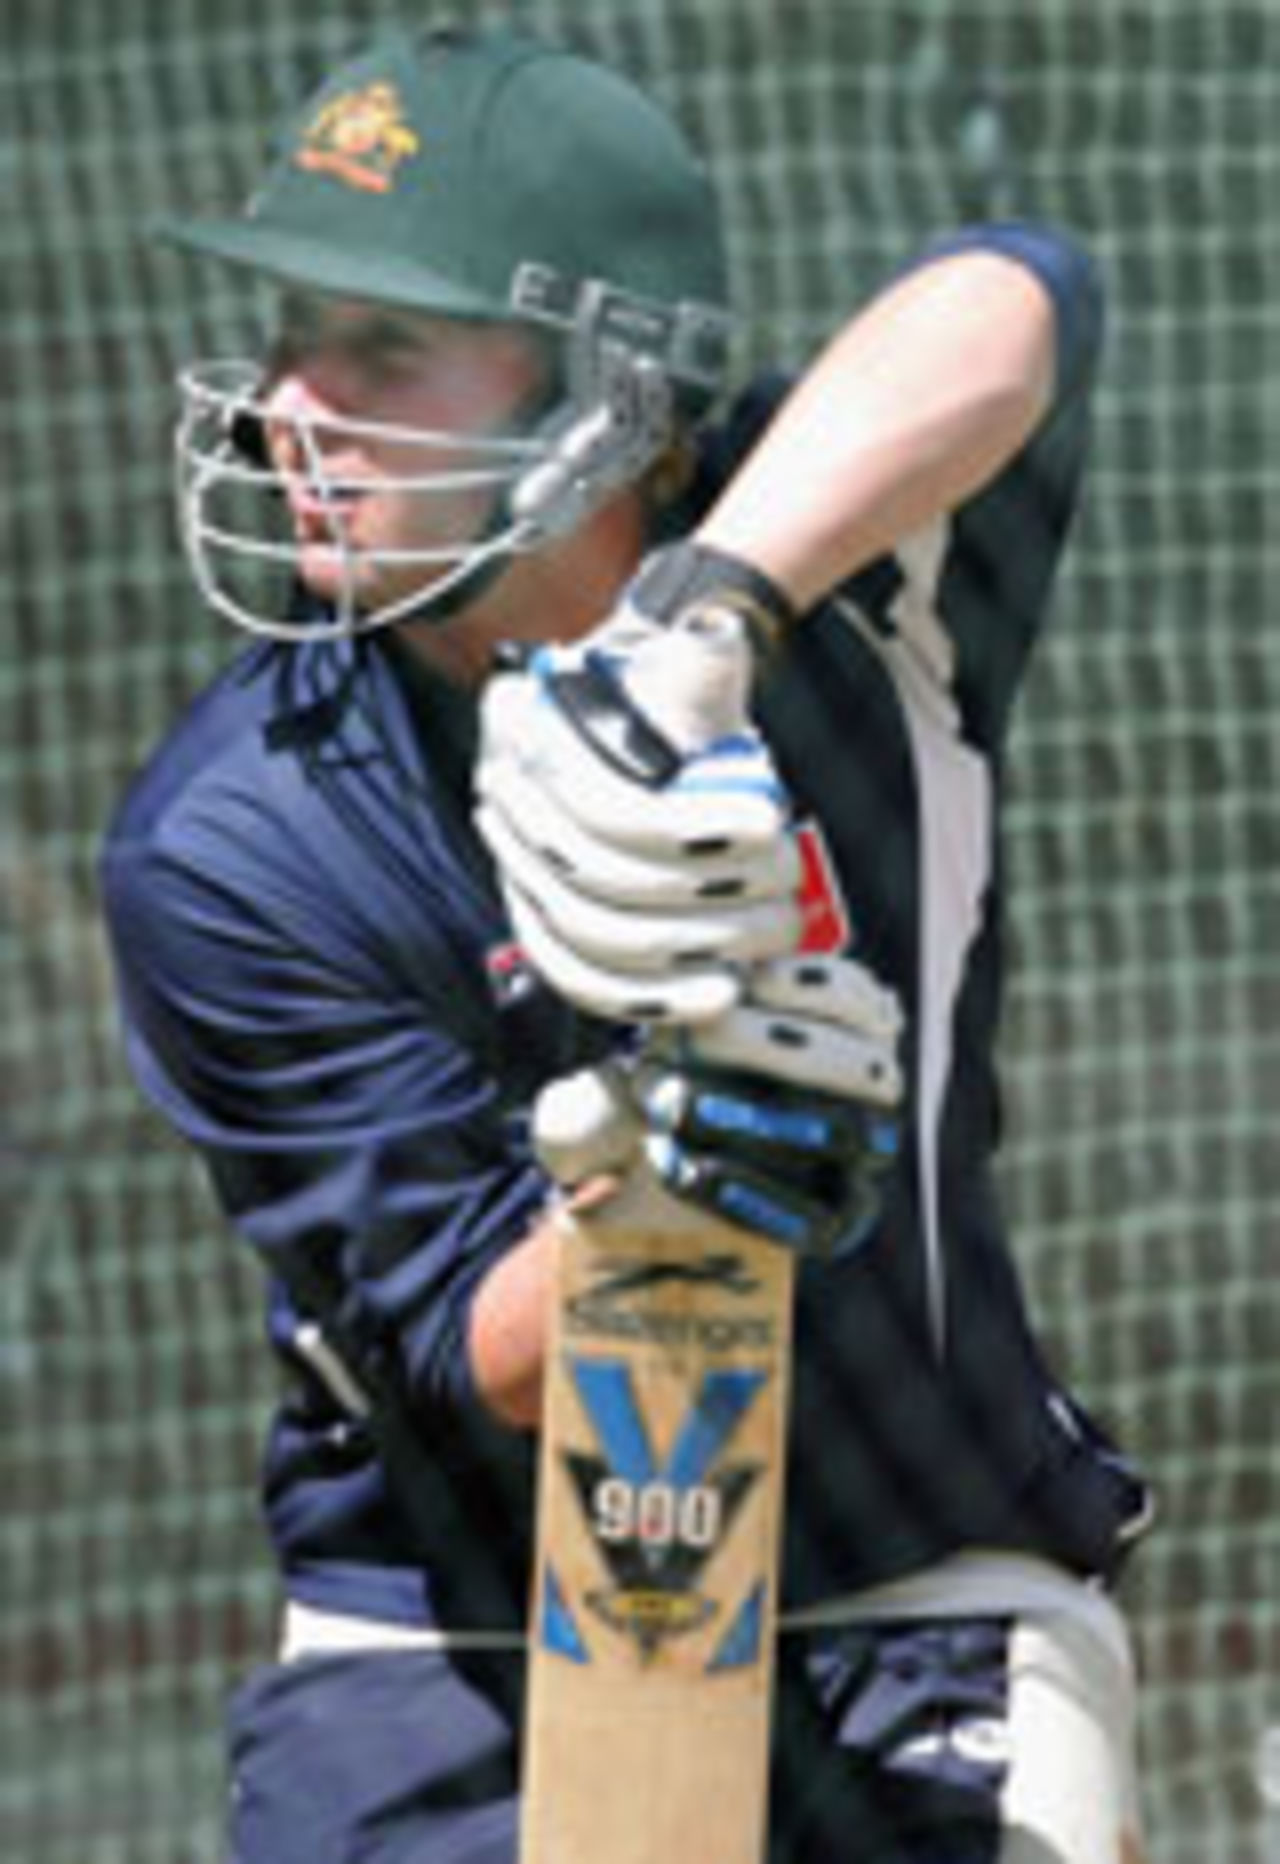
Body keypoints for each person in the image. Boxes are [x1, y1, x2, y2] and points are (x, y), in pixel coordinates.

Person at [101, 22, 1155, 1863]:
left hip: (911, 1568)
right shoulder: (234, 833)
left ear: (605, 393)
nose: (292, 402)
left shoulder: (855, 579)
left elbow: (1023, 293)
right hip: (453, 1633)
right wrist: (678, 1167)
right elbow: (451, 1340)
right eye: (292, 336)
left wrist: (709, 627)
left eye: (385, 349)